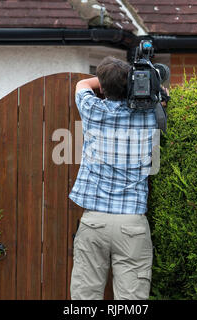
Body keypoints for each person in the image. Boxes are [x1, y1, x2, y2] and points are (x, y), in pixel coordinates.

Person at [69, 56, 167, 300]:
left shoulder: (93, 110)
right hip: (132, 223)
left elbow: (81, 85)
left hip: (94, 222)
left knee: (85, 297)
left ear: (102, 88)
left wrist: (105, 80)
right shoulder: (150, 116)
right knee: (131, 300)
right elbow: (161, 99)